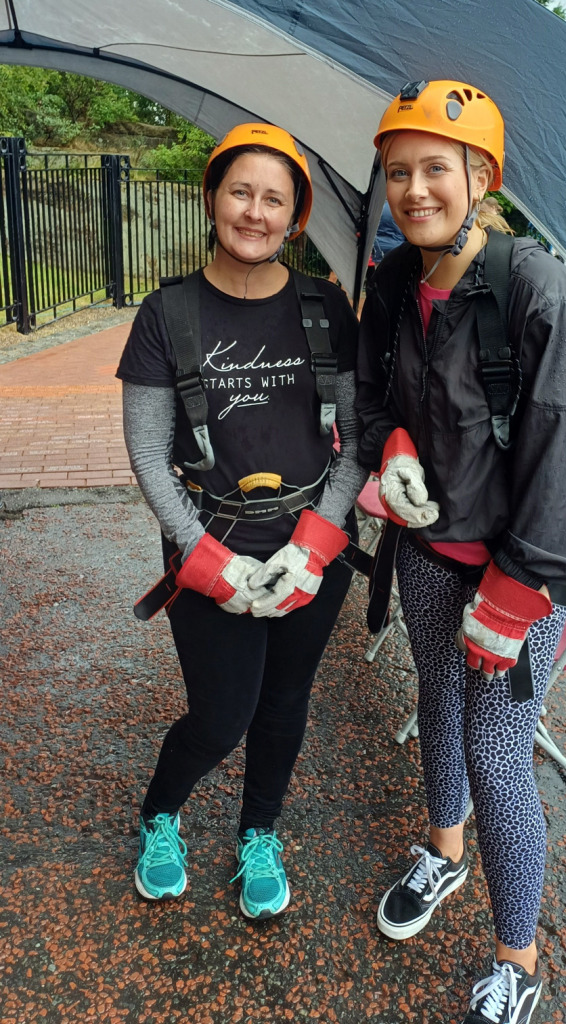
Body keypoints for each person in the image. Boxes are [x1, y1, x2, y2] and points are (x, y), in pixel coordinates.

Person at [356, 81, 566, 1023]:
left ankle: (519, 959)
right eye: (397, 172)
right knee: (434, 703)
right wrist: (386, 448)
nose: (414, 189)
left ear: (480, 176)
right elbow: (370, 396)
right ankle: (444, 854)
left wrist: (512, 602)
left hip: (515, 585)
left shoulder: (532, 289)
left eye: (435, 169)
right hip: (424, 555)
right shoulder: (391, 282)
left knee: (499, 757)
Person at [117, 122, 367, 918]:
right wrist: (202, 557)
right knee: (221, 715)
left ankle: (259, 831)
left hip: (309, 546)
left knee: (285, 700)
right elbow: (150, 455)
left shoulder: (325, 306)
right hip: (211, 542)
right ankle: (162, 814)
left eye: (274, 199)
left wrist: (317, 545)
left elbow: (356, 440)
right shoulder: (168, 314)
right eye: (240, 192)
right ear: (211, 198)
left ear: (295, 218)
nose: (254, 212)